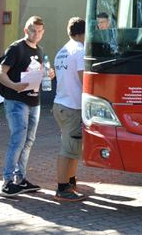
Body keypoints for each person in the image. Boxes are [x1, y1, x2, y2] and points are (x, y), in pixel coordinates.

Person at [0, 15, 54, 197]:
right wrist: (13, 85)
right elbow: (0, 73)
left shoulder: (40, 50)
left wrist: (48, 74)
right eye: (32, 30)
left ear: (43, 32)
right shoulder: (16, 48)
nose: (36, 34)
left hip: (34, 101)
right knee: (18, 140)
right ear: (25, 30)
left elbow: (38, 74)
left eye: (39, 31)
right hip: (16, 101)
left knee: (28, 141)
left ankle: (20, 179)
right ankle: (7, 182)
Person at [52, 17, 87, 201]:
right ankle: (62, 187)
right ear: (84, 33)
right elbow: (85, 80)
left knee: (73, 147)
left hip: (60, 104)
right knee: (68, 149)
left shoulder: (62, 51)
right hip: (72, 107)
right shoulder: (80, 51)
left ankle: (71, 183)